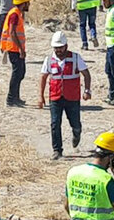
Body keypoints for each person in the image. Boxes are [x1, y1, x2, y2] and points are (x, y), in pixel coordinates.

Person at [38, 31, 90, 160]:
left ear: (66, 46)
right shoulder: (49, 59)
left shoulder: (76, 57)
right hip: (55, 97)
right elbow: (43, 77)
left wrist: (87, 90)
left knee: (75, 123)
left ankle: (77, 133)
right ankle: (57, 150)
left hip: (72, 97)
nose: (58, 50)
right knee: (55, 123)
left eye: (60, 47)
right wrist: (41, 96)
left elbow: (87, 74)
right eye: (56, 48)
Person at [0, 0, 31, 107]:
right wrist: (21, 49)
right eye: (27, 2)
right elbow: (12, 32)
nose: (29, 4)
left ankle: (15, 97)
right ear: (23, 3)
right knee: (17, 73)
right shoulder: (14, 14)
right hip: (13, 48)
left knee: (20, 73)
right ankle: (11, 99)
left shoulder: (17, 13)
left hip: (16, 48)